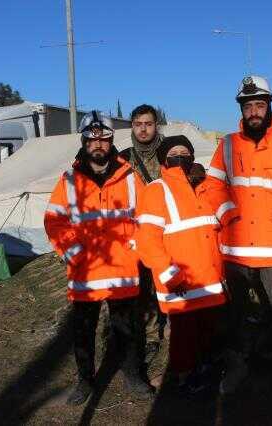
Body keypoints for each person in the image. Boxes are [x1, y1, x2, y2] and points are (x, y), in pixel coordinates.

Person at [205, 75, 272, 403]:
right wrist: (228, 214)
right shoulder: (226, 145)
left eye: (259, 105)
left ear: (269, 109)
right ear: (242, 109)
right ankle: (237, 364)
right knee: (236, 314)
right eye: (248, 106)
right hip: (235, 252)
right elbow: (212, 187)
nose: (254, 112)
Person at [44, 111, 151, 405]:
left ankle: (133, 376)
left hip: (123, 270)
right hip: (85, 274)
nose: (98, 145)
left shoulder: (130, 176)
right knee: (83, 332)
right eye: (92, 141)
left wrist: (137, 250)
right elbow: (54, 220)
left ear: (111, 140)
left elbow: (147, 218)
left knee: (128, 329)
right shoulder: (68, 182)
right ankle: (85, 381)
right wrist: (74, 253)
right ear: (84, 143)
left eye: (103, 139)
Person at [135, 135, 230, 394]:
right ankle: (184, 376)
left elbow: (215, 232)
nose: (180, 156)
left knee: (209, 331)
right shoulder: (156, 190)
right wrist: (172, 276)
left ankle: (206, 370)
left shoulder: (204, 188)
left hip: (209, 280)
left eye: (185, 152)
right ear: (164, 159)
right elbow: (147, 241)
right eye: (174, 152)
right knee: (183, 336)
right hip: (181, 283)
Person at [120, 104, 167, 386]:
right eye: (138, 124)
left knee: (168, 283)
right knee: (142, 290)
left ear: (156, 124)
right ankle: (150, 336)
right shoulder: (123, 159)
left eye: (148, 123)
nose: (143, 129)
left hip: (166, 231)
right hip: (136, 234)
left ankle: (174, 333)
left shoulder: (170, 153)